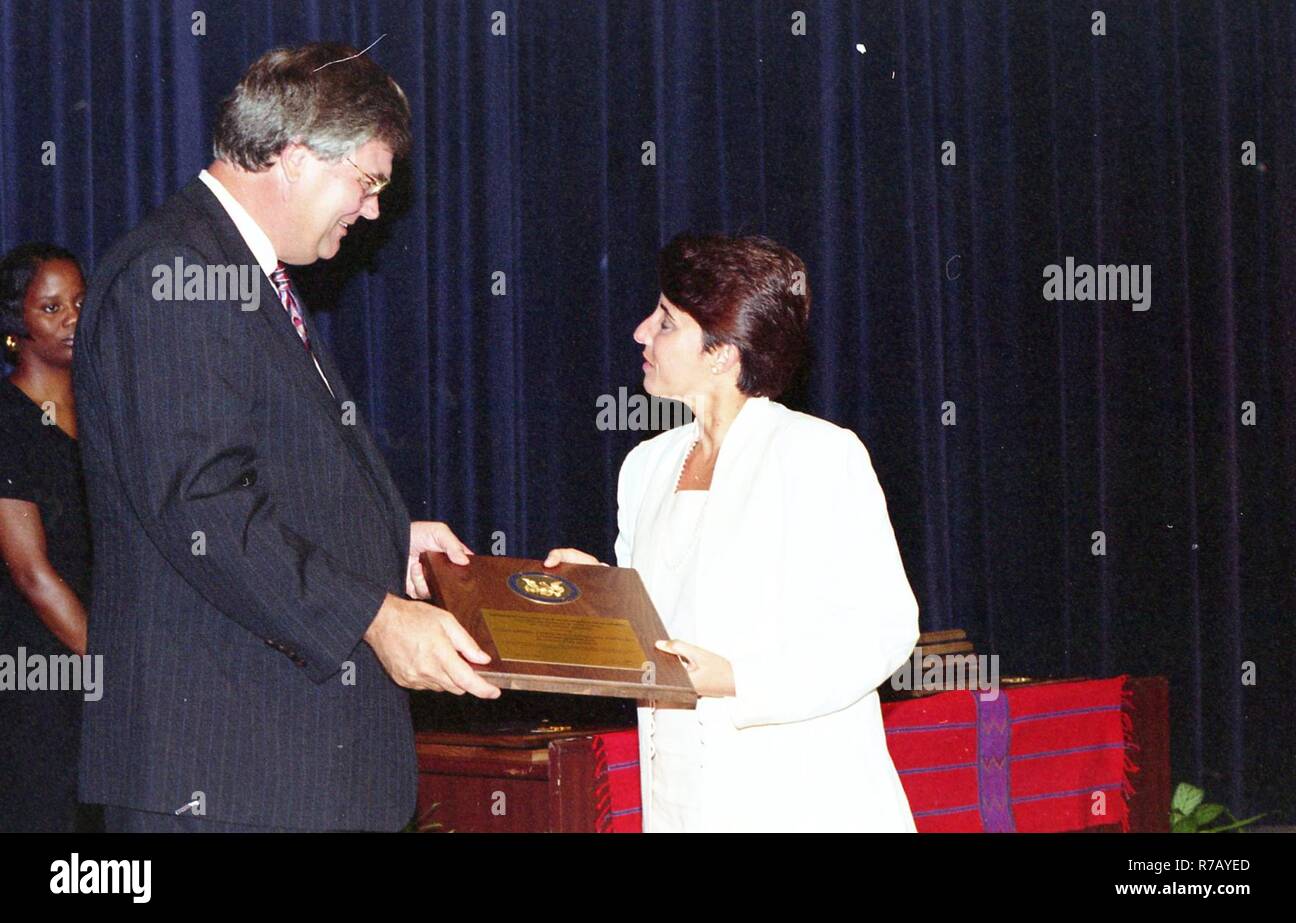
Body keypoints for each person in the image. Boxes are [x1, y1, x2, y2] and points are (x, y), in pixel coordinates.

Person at [74, 42, 499, 834]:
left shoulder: (238, 272)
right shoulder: (176, 274)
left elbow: (261, 481)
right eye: (367, 181)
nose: (372, 209)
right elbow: (202, 508)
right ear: (297, 158)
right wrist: (375, 615)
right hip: (228, 774)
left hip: (278, 771)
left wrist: (386, 536)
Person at [546, 233, 919, 832]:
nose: (642, 332)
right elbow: (656, 632)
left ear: (722, 355)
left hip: (802, 797)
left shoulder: (818, 454)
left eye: (665, 322)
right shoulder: (646, 466)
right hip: (680, 798)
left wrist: (740, 680)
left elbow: (883, 630)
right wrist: (599, 594)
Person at [0, 244, 100, 832]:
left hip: (103, 651)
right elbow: (32, 574)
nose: (73, 319)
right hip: (38, 667)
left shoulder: (103, 407)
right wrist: (108, 667)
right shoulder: (8, 419)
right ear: (16, 321)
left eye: (81, 302)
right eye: (52, 307)